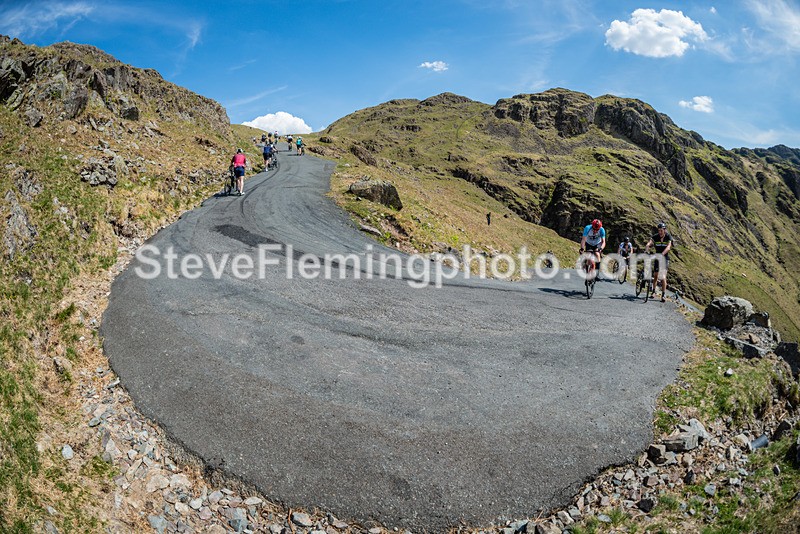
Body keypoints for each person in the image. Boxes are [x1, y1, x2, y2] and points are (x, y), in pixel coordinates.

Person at [645, 222, 673, 302]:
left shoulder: (668, 236)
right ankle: (653, 292)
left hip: (665, 258)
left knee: (663, 277)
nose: (660, 232)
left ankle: (663, 295)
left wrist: (662, 254)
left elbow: (668, 247)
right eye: (659, 230)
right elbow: (649, 243)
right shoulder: (656, 237)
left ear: (664, 230)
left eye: (661, 230)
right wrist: (647, 248)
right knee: (656, 275)